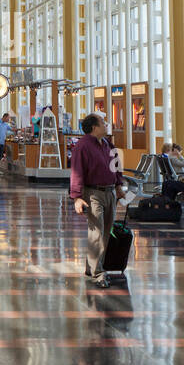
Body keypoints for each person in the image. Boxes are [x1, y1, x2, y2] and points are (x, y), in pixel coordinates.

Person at [69, 113, 125, 288]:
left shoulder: (107, 143)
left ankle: (91, 267)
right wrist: (77, 197)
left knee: (106, 232)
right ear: (94, 127)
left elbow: (115, 164)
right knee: (96, 233)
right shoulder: (82, 146)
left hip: (110, 192)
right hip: (93, 193)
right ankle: (98, 273)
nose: (106, 125)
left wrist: (118, 184)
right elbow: (77, 171)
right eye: (103, 122)